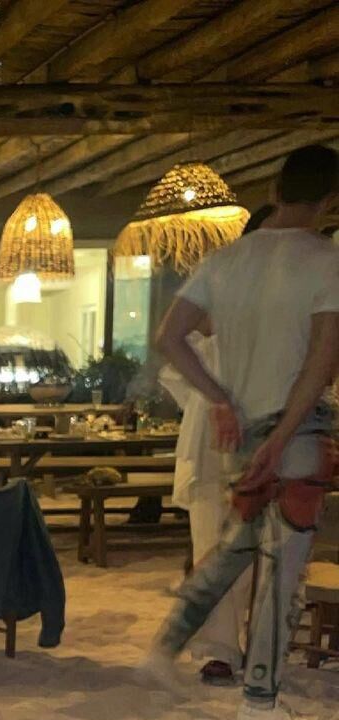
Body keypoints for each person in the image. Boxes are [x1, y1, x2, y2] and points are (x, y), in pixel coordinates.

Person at [141, 145, 339, 720]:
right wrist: (285, 434)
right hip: (296, 426)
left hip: (244, 427)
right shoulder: (327, 260)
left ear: (275, 191)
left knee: (240, 544)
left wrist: (219, 396)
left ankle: (169, 641)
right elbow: (321, 363)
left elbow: (169, 338)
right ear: (330, 202)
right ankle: (260, 698)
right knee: (284, 565)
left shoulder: (226, 260)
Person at [157, 205, 276, 686]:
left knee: (269, 544)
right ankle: (219, 648)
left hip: (276, 426)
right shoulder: (222, 283)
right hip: (218, 429)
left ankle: (263, 642)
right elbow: (175, 347)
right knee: (214, 538)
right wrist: (215, 398)